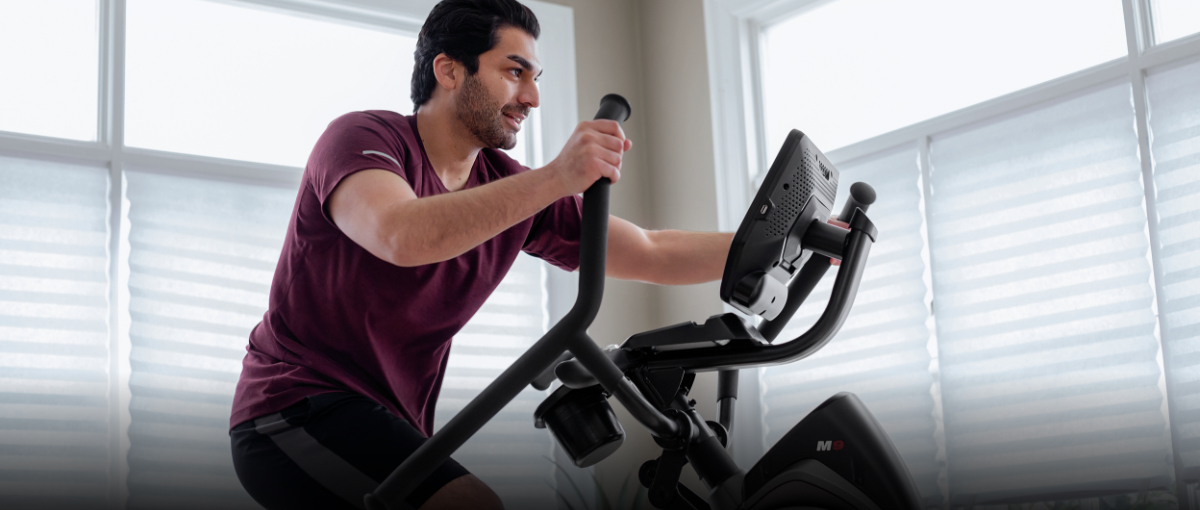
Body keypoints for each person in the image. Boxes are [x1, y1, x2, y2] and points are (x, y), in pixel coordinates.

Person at [228, 1, 733, 509]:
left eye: (535, 78)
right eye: (515, 72)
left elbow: (652, 251)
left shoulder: (511, 189)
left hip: (395, 426)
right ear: (448, 70)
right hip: (292, 410)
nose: (532, 97)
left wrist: (784, 236)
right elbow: (402, 235)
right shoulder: (363, 138)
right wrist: (556, 177)